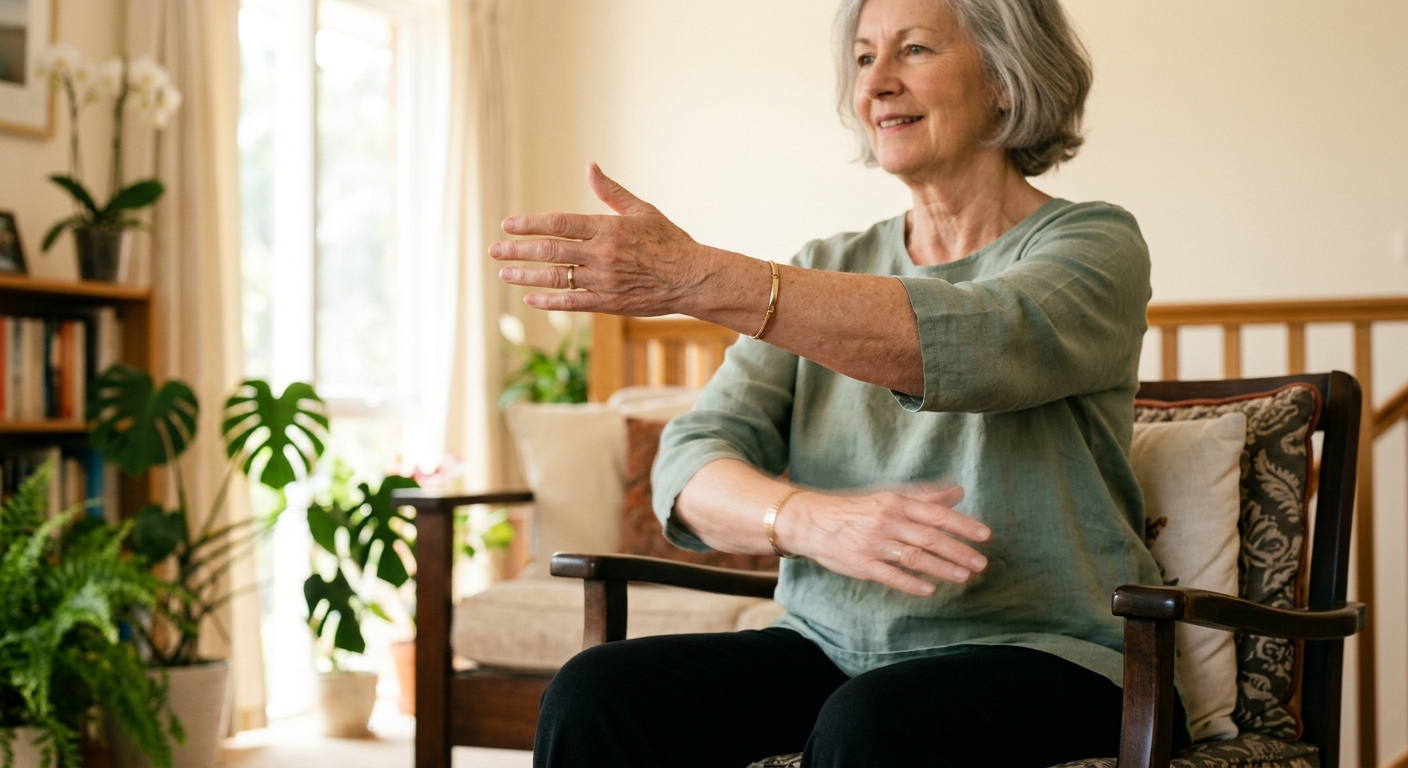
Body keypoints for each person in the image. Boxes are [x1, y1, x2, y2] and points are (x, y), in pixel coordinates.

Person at [492, 0, 1187, 764]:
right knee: (597, 693)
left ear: (1005, 79)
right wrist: (807, 521)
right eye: (863, 57)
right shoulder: (826, 266)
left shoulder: (1095, 243)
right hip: (828, 647)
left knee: (876, 721)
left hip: (1051, 654)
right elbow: (691, 462)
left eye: (914, 49)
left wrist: (699, 278)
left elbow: (979, 341)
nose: (876, 83)